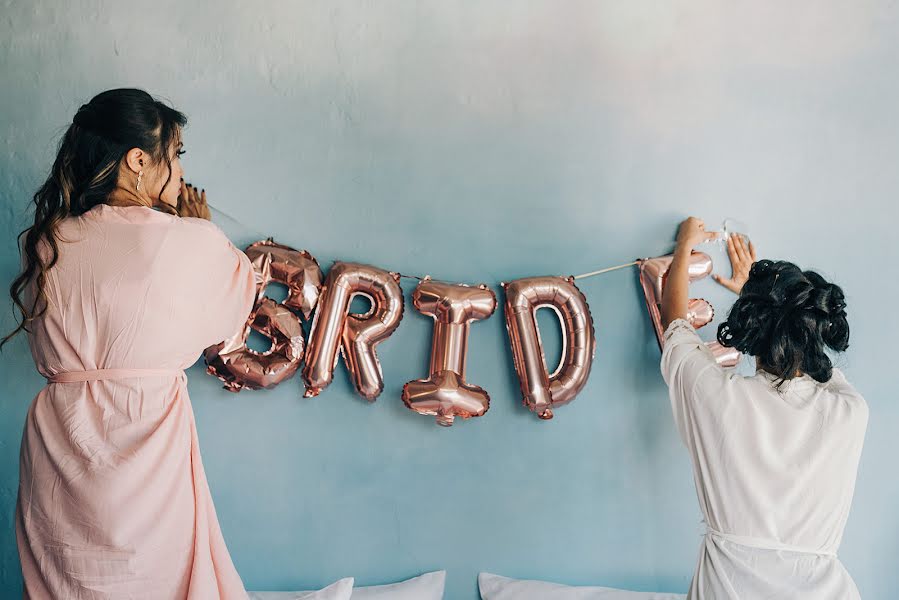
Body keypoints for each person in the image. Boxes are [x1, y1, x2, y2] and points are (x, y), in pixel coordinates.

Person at [3, 88, 256, 599]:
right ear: (139, 159)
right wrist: (200, 230)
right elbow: (229, 320)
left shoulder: (46, 241)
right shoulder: (189, 239)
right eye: (177, 154)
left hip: (58, 442)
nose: (181, 172)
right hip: (147, 435)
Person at [658, 217, 868, 599]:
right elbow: (820, 367)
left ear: (750, 326)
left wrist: (685, 244)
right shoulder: (852, 412)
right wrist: (759, 303)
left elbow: (674, 319)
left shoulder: (714, 396)